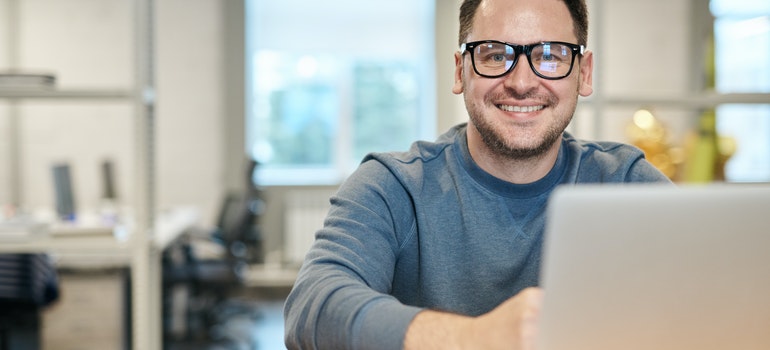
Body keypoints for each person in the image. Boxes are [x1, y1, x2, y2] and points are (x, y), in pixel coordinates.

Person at [283, 0, 671, 349]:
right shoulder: (394, 186)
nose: (521, 83)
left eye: (550, 55)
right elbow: (313, 308)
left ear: (583, 73)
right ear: (460, 70)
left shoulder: (626, 184)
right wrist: (474, 337)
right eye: (493, 55)